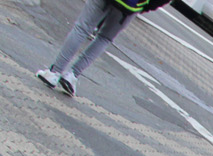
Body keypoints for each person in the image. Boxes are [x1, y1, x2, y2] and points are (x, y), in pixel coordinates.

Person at [35, 0, 170, 98]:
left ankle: (55, 72)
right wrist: (144, 6)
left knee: (82, 28)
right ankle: (72, 75)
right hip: (131, 5)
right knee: (104, 38)